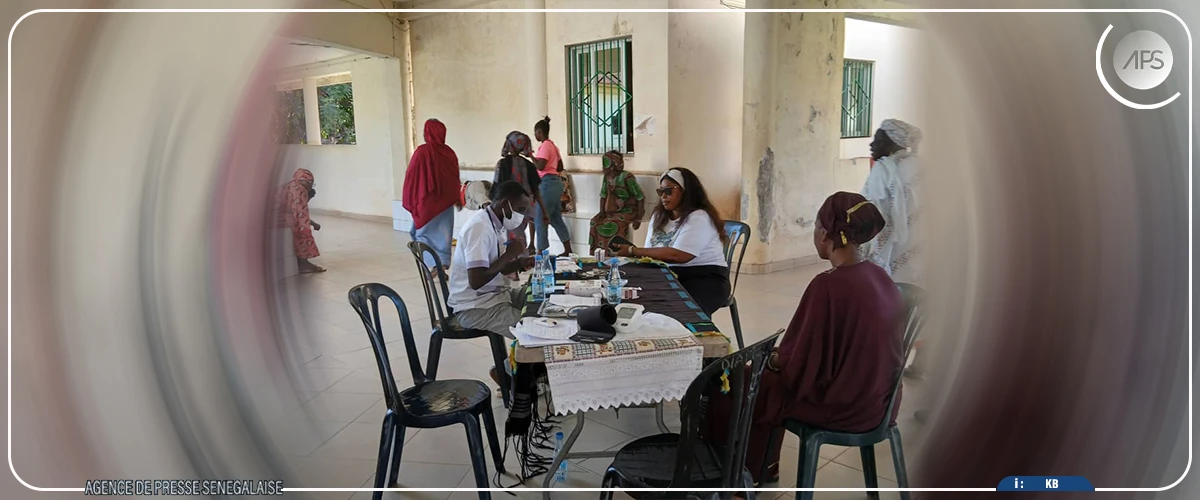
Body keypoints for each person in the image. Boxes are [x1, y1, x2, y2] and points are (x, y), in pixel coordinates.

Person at [702, 192, 904, 485]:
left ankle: (731, 479)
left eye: (816, 226)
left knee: (733, 384)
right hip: (881, 402)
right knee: (760, 380)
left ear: (825, 234)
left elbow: (797, 366)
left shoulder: (828, 286)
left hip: (843, 407)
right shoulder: (880, 276)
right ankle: (762, 468)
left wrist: (769, 360)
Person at [611, 167, 730, 315]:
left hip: (704, 278)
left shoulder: (699, 217)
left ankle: (696, 337)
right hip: (668, 274)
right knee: (628, 297)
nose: (663, 196)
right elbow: (651, 253)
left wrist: (632, 250)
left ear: (686, 191)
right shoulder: (659, 217)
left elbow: (679, 256)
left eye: (668, 191)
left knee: (681, 311)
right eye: (661, 192)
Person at [447, 180, 536, 341]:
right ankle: (509, 366)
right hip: (476, 307)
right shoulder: (479, 227)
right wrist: (509, 254)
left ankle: (513, 365)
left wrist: (520, 264)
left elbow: (497, 269)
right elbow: (476, 280)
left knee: (540, 297)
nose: (521, 216)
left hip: (495, 297)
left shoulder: (495, 224)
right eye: (520, 210)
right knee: (535, 330)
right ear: (504, 204)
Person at [860, 118, 923, 284]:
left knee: (891, 292)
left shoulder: (882, 170)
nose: (872, 145)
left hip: (890, 249)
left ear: (893, 143)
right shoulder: (922, 166)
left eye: (878, 141)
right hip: (920, 244)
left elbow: (873, 213)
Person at [402, 119, 461, 274]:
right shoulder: (449, 153)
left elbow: (411, 176)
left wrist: (411, 197)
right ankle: (441, 265)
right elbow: (454, 178)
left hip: (426, 203)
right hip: (445, 203)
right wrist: (456, 197)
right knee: (444, 235)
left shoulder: (422, 151)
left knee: (422, 234)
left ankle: (431, 267)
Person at [492, 131, 549, 254]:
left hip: (508, 206)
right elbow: (536, 190)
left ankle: (515, 264)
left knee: (512, 237)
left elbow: (497, 188)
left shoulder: (502, 164)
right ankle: (520, 259)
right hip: (526, 206)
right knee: (519, 234)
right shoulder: (529, 165)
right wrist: (544, 212)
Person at [531, 116, 573, 256]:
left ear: (540, 132)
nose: (535, 135)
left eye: (535, 132)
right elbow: (560, 166)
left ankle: (540, 252)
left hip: (547, 185)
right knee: (555, 218)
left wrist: (530, 156)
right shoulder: (553, 146)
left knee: (540, 218)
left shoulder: (545, 146)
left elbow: (541, 166)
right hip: (556, 184)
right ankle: (567, 250)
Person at [588, 151, 645, 253]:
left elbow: (640, 198)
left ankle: (616, 252)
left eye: (605, 167)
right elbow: (603, 195)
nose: (603, 169)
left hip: (630, 210)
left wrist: (639, 218)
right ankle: (599, 253)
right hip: (614, 210)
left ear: (612, 166)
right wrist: (601, 212)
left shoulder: (627, 177)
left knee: (615, 222)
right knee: (595, 222)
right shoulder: (607, 178)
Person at [276, 168, 325, 273]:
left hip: (271, 216)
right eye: (311, 183)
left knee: (298, 224)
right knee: (301, 229)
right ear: (308, 181)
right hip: (275, 218)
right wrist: (307, 232)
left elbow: (295, 212)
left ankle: (300, 260)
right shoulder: (300, 189)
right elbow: (301, 216)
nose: (310, 187)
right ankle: (303, 262)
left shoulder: (290, 185)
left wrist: (313, 223)